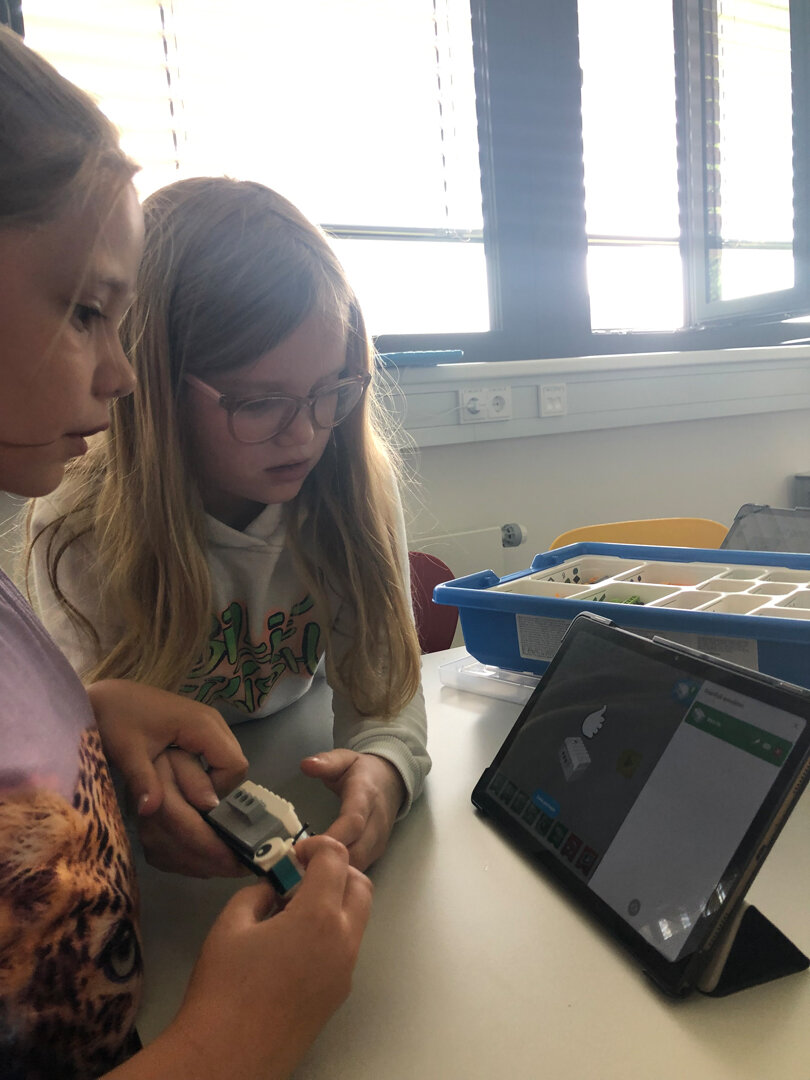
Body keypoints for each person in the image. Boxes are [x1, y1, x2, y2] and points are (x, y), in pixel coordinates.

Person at [0, 25, 372, 1079]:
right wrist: (232, 1039)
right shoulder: (75, 539)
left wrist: (87, 716)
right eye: (86, 311)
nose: (123, 376)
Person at [28, 174, 431, 874]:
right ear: (155, 388)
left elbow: (384, 689)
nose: (305, 435)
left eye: (330, 390)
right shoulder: (79, 520)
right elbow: (94, 736)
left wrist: (386, 769)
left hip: (297, 745)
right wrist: (153, 789)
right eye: (260, 402)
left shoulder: (353, 486)